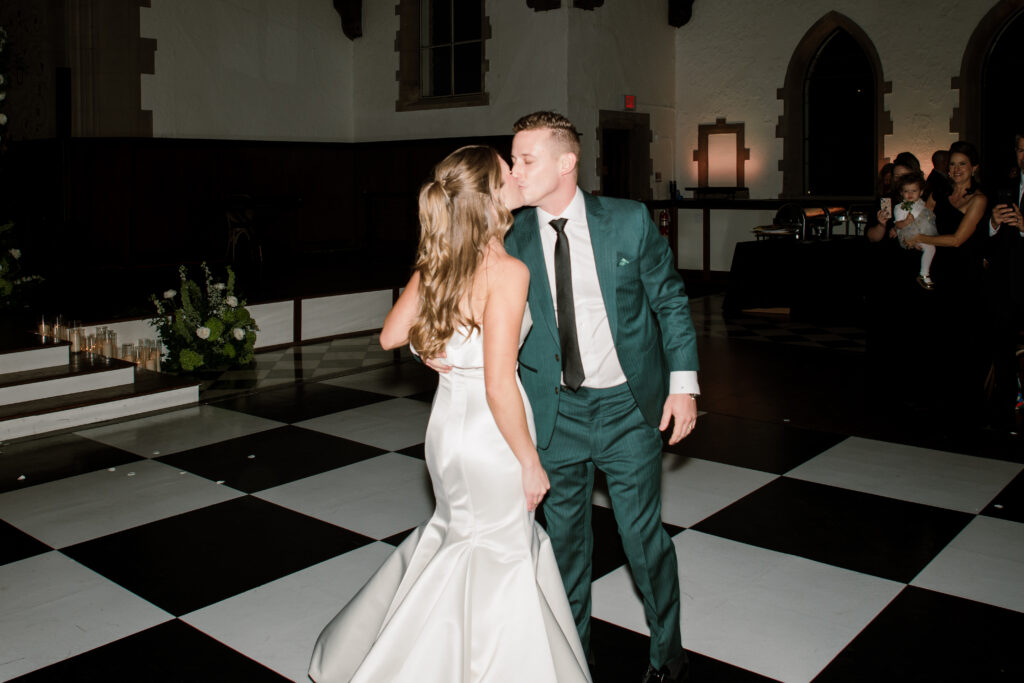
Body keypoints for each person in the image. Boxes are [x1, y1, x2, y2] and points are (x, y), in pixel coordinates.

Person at [308, 145, 592, 683]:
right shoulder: (508, 272)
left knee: (458, 536)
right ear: (489, 196)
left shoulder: (441, 261)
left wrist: (429, 349)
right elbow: (499, 382)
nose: (516, 177)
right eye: (508, 172)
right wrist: (530, 462)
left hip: (446, 431)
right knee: (500, 553)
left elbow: (392, 334)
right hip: (492, 436)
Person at [505, 111, 699, 683]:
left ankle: (668, 656)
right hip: (554, 411)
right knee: (565, 548)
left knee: (643, 542)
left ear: (566, 164)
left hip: (625, 408)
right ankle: (574, 658)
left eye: (526, 159)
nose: (514, 171)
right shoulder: (511, 234)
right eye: (513, 159)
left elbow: (670, 302)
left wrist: (682, 386)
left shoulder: (628, 221)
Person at [907, 141, 989, 418]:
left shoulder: (979, 199)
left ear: (974, 168)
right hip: (938, 273)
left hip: (965, 278)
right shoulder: (940, 194)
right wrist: (907, 232)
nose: (955, 169)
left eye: (962, 164)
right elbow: (922, 219)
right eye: (952, 164)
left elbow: (956, 240)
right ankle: (934, 401)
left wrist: (920, 238)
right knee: (935, 339)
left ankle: (963, 406)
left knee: (962, 341)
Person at [983, 132, 1024, 428]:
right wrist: (994, 223)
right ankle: (1007, 411)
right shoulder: (1006, 187)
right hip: (1006, 283)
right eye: (1021, 150)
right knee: (1002, 347)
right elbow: (990, 242)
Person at [892, 171, 939, 290]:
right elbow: (897, 224)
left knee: (931, 246)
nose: (910, 194)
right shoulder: (899, 207)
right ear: (901, 193)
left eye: (914, 191)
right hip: (907, 234)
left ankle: (924, 271)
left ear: (921, 192)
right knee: (930, 248)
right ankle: (924, 274)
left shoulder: (922, 204)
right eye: (906, 191)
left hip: (921, 233)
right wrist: (906, 222)